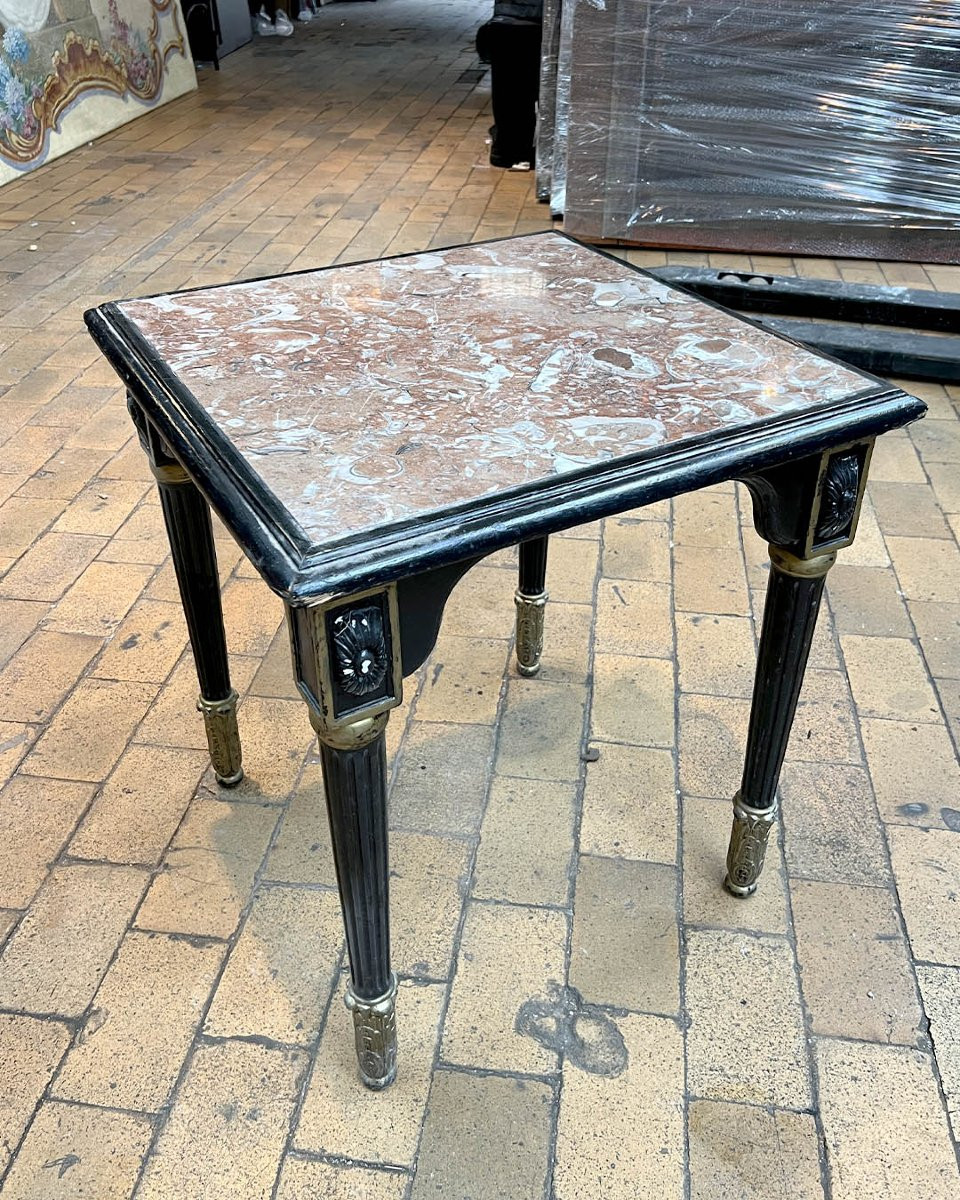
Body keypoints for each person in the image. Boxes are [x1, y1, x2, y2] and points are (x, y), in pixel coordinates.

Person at [476, 0, 543, 170]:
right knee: (527, 93)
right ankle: (520, 150)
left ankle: (505, 150)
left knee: (506, 94)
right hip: (534, 24)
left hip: (505, 24)